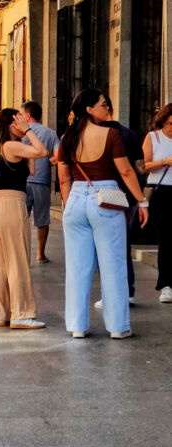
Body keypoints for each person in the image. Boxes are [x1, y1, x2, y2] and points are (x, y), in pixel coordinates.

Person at [57, 89, 149, 339]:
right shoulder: (111, 134)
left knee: (77, 267)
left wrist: (70, 203)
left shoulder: (67, 138)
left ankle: (77, 326)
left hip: (75, 199)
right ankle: (118, 327)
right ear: (89, 109)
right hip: (106, 197)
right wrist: (141, 201)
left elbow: (63, 178)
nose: (107, 108)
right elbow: (127, 172)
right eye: (102, 104)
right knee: (113, 264)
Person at [0, 109, 49, 330]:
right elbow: (42, 152)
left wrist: (23, 136)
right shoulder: (10, 146)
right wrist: (28, 130)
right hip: (11, 204)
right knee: (17, 261)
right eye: (18, 120)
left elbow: (32, 169)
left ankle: (2, 313)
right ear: (10, 124)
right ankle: (21, 313)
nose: (22, 122)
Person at [93, 95, 144, 307]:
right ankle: (128, 290)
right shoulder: (129, 134)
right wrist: (140, 197)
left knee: (104, 247)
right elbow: (140, 167)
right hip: (128, 197)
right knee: (123, 245)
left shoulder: (97, 134)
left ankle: (111, 293)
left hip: (103, 196)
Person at [21, 101, 60, 264]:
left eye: (21, 114)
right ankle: (40, 254)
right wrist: (50, 160)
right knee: (42, 220)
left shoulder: (20, 132)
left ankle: (22, 254)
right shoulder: (50, 133)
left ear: (27, 115)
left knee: (21, 219)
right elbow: (58, 155)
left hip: (22, 181)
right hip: (42, 181)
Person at [142, 102, 172, 303]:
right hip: (161, 192)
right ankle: (166, 285)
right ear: (163, 122)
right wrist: (164, 162)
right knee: (166, 238)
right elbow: (143, 166)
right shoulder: (153, 137)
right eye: (170, 123)